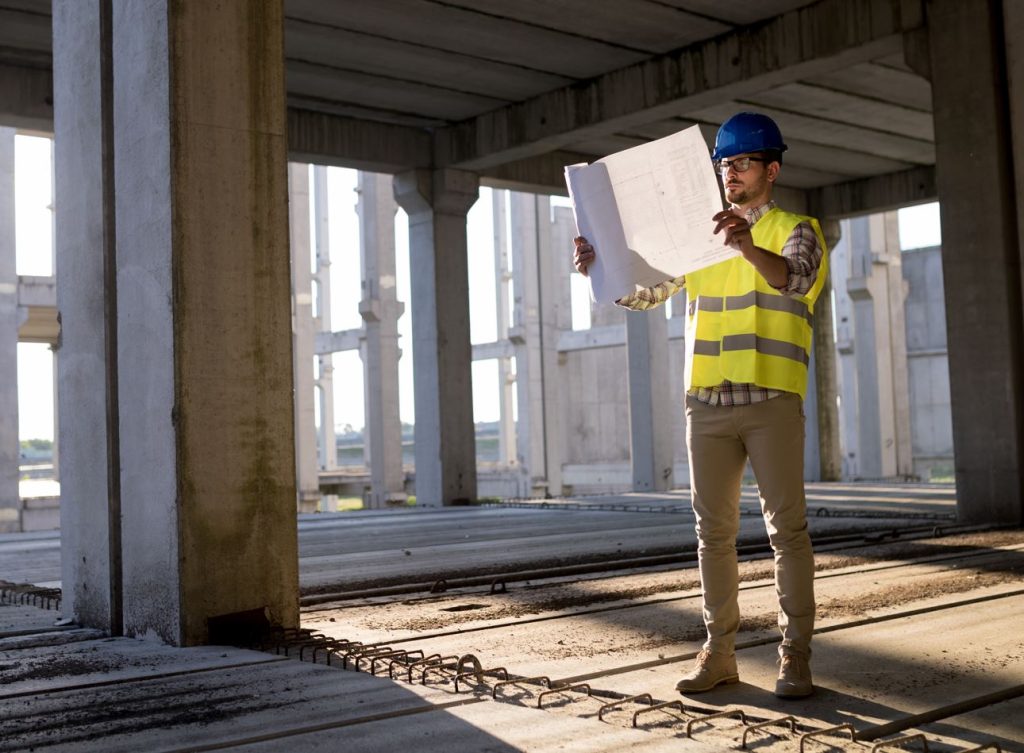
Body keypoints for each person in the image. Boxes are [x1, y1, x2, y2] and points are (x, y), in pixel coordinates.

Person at [572, 112, 828, 699]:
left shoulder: (797, 228)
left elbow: (794, 278)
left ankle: (796, 656)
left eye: (740, 163)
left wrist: (745, 244)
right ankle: (719, 653)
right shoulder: (701, 234)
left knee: (786, 533)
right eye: (723, 165)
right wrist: (599, 267)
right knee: (712, 536)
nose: (729, 173)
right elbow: (647, 292)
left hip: (770, 401)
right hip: (707, 403)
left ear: (771, 168)